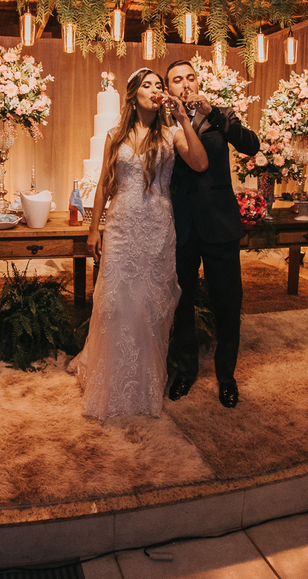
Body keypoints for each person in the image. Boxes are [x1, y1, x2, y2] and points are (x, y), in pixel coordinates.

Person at [69, 68, 208, 420]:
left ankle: (143, 386)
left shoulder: (171, 133)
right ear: (133, 94)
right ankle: (109, 383)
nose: (155, 90)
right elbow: (104, 183)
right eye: (147, 85)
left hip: (158, 227)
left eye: (158, 85)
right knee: (114, 304)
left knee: (150, 307)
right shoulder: (116, 135)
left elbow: (200, 162)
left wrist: (183, 119)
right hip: (120, 226)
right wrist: (93, 228)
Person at [165, 59, 261, 408]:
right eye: (177, 79)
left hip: (220, 225)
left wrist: (215, 114)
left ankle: (226, 376)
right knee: (182, 303)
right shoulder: (162, 123)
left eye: (190, 77)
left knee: (227, 303)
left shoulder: (219, 115)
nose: (186, 84)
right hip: (181, 226)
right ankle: (186, 372)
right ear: (168, 88)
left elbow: (252, 145)